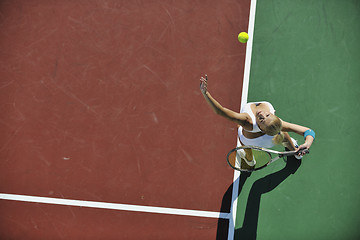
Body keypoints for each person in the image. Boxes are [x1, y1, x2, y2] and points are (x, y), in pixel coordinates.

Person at [199, 75, 315, 167]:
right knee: (282, 133)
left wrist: (206, 93)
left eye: (261, 120)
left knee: (241, 133)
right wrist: (307, 144)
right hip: (272, 140)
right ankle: (295, 152)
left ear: (261, 128)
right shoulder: (277, 124)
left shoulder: (248, 122)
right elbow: (309, 131)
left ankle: (250, 160)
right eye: (267, 115)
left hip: (251, 142)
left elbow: (221, 111)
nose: (262, 114)